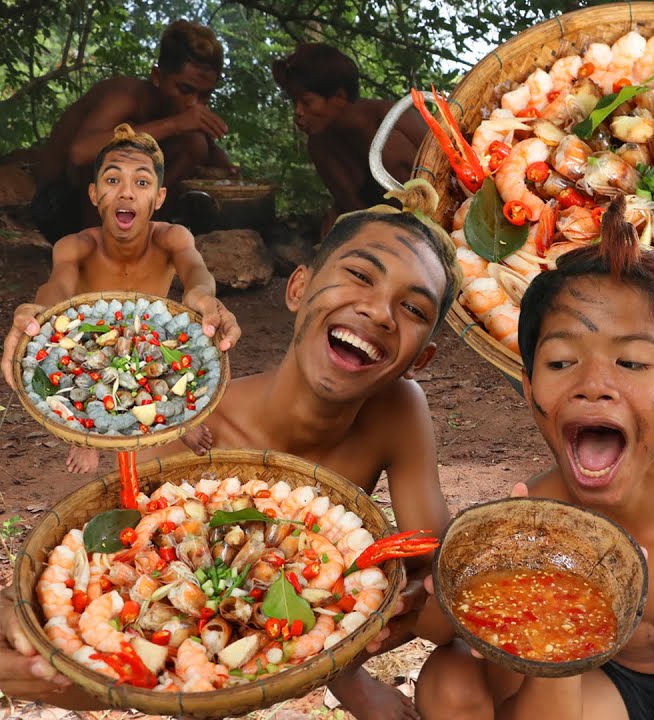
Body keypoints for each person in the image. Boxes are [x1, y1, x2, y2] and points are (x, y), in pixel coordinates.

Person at [0, 180, 462, 720]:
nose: (381, 312)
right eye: (359, 275)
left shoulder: (399, 409)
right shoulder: (190, 434)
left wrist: (357, 662)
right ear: (298, 288)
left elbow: (438, 601)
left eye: (411, 307)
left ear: (421, 359)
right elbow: (126, 613)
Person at [413, 198, 654, 720]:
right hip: (612, 691)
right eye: (561, 361)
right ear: (530, 390)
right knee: (449, 679)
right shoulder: (532, 520)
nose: (594, 385)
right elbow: (467, 658)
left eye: (633, 361)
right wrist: (500, 601)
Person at [2, 124, 240, 473]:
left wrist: (204, 297)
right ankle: (84, 434)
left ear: (159, 198)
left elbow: (196, 274)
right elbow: (56, 291)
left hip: (149, 343)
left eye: (141, 183)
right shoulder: (76, 245)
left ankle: (179, 420)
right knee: (68, 374)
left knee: (187, 356)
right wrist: (37, 311)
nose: (126, 193)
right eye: (113, 181)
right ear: (94, 194)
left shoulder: (172, 238)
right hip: (91, 348)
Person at [31, 20, 234, 242]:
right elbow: (80, 153)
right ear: (157, 77)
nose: (194, 103)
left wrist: (228, 173)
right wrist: (174, 125)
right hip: (58, 206)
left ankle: (141, 240)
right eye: (184, 89)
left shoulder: (183, 110)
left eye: (205, 95)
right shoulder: (124, 97)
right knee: (116, 153)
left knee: (195, 145)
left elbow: (208, 153)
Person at [271, 43, 429, 236]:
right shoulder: (320, 145)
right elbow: (354, 207)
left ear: (339, 97)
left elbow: (447, 162)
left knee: (388, 148)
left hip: (433, 212)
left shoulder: (396, 118)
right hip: (387, 230)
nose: (298, 112)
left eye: (307, 102)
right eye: (294, 102)